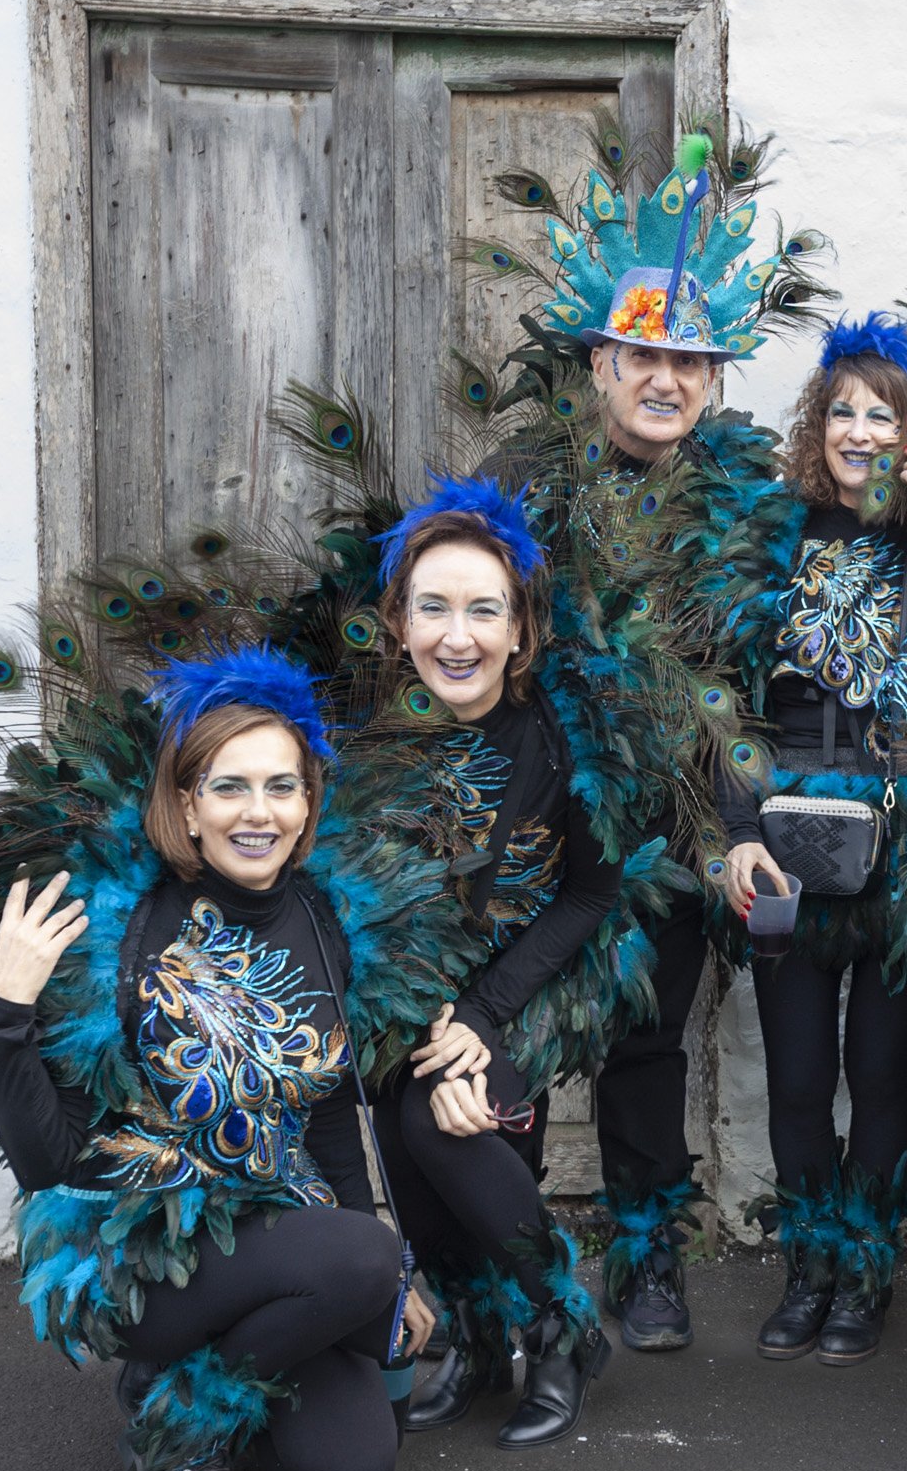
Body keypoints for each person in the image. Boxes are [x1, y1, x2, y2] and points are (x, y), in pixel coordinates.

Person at [0, 637, 469, 1471]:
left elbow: (327, 1110)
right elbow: (49, 1160)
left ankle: (221, 1376)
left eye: (281, 786)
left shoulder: (322, 915)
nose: (258, 812)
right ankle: (178, 1431)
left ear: (309, 801)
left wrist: (394, 1267)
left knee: (356, 1467)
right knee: (357, 1264)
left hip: (286, 1225)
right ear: (186, 804)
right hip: (151, 1248)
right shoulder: (118, 932)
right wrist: (8, 1007)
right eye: (229, 787)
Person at [343, 123, 829, 1355]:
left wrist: (729, 832)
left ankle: (647, 1251)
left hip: (660, 831)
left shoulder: (746, 509)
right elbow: (439, 625)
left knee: (644, 1042)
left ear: (713, 382)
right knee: (485, 1036)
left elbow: (731, 695)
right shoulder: (516, 478)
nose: (664, 379)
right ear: (599, 361)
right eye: (639, 355)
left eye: (688, 363)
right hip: (518, 811)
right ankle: (489, 1277)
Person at [365, 477, 693, 1444]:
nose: (455, 636)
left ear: (520, 631)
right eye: (433, 608)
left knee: (445, 1114)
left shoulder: (563, 743)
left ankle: (556, 1324)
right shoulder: (370, 746)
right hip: (418, 996)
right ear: (398, 622)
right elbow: (365, 912)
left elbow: (592, 894)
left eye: (482, 610)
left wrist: (482, 1015)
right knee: (402, 1108)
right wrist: (432, 1016)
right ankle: (471, 1333)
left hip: (549, 976)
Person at [697, 311, 907, 1365]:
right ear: (816, 424)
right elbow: (726, 698)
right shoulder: (772, 536)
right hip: (786, 844)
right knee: (797, 1074)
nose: (861, 430)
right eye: (844, 410)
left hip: (900, 844)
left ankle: (864, 1267)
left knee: (880, 1069)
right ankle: (808, 1262)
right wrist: (735, 829)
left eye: (886, 414)